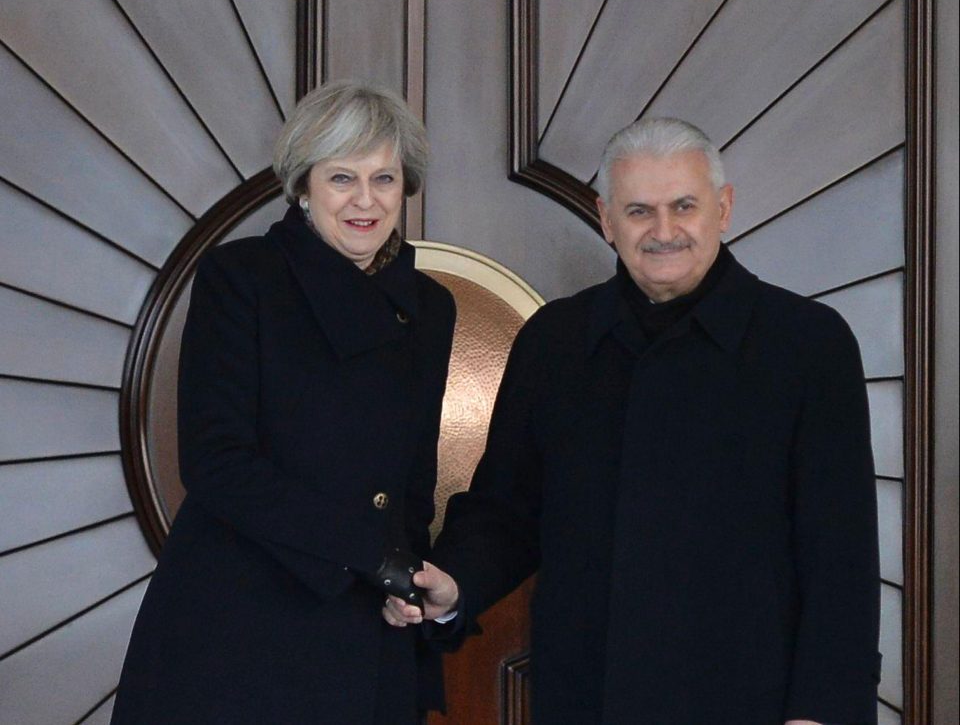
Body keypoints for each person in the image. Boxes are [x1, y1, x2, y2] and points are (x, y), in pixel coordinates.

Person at [386, 118, 881, 724]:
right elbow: (508, 511)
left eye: (684, 206)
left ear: (723, 209)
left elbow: (840, 554)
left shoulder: (809, 343)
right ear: (606, 218)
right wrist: (454, 584)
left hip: (751, 697)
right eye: (640, 211)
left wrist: (822, 710)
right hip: (588, 694)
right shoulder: (556, 341)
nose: (664, 230)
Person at [112, 81, 456, 724]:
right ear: (303, 187)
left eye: (384, 178)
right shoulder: (241, 279)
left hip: (367, 619)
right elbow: (216, 462)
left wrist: (402, 580)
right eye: (342, 177)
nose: (365, 200)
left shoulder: (430, 306)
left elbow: (414, 476)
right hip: (241, 616)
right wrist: (370, 552)